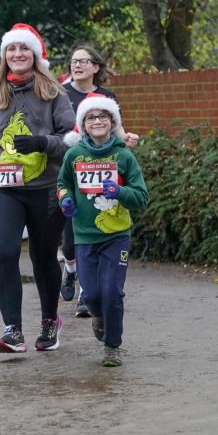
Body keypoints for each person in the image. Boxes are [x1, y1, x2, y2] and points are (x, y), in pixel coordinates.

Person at [0, 23, 75, 353]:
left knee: (43, 258)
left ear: (35, 54)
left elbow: (73, 139)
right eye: (11, 49)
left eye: (23, 48)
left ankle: (49, 320)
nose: (17, 54)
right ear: (4, 57)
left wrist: (42, 142)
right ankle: (12, 329)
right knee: (4, 252)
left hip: (43, 188)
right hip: (2, 185)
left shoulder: (55, 93)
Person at [57, 95, 148, 367]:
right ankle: (98, 317)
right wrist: (65, 199)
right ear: (83, 124)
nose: (97, 121)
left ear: (112, 122)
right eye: (90, 117)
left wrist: (120, 191)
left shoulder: (124, 156)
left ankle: (112, 346)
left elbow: (142, 197)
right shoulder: (74, 155)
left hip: (116, 236)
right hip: (84, 236)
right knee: (93, 296)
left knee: (112, 293)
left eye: (103, 116)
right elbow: (62, 183)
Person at [61, 43, 139, 316]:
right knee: (69, 237)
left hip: (102, 169)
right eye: (73, 61)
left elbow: (117, 131)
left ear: (96, 67)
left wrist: (127, 140)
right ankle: (70, 269)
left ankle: (86, 294)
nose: (77, 65)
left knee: (92, 225)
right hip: (69, 166)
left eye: (83, 61)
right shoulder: (61, 93)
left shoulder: (106, 96)